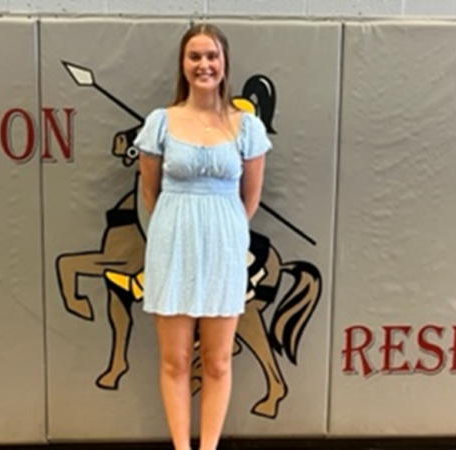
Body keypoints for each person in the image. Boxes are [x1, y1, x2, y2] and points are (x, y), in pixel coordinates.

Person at [134, 23, 272, 450]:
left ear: (224, 62)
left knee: (217, 361)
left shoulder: (246, 127)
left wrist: (222, 232)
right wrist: (180, 226)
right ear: (183, 64)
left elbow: (250, 199)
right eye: (195, 56)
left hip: (225, 251)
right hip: (172, 247)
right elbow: (150, 193)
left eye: (211, 56)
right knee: (175, 361)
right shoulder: (160, 122)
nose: (204, 65)